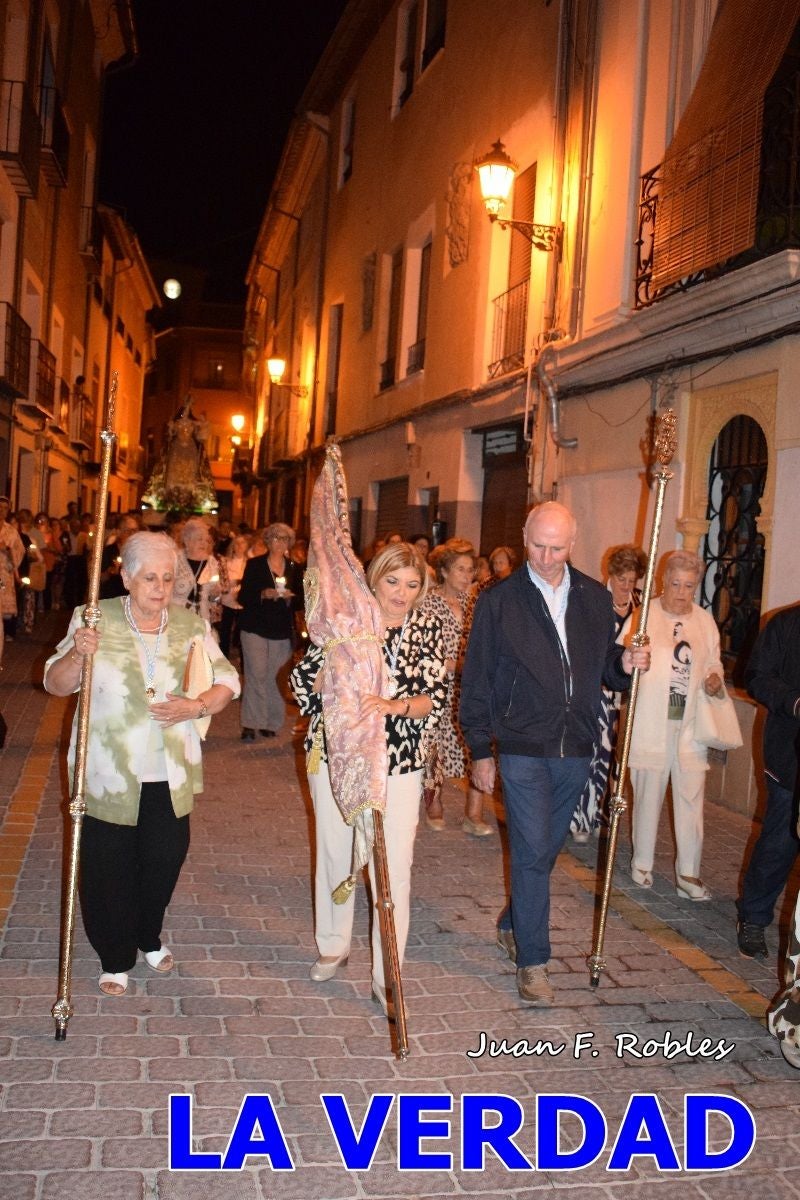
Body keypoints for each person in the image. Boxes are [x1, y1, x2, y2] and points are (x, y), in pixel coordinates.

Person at [459, 502, 650, 1007]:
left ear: (573, 542)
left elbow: (603, 667)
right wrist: (480, 750)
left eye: (557, 548)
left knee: (544, 850)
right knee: (529, 851)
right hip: (521, 745)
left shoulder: (593, 597)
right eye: (537, 546)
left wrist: (626, 662)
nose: (545, 558)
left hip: (577, 745)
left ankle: (512, 923)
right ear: (525, 536)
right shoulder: (499, 601)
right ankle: (534, 961)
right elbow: (476, 680)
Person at [43, 531, 239, 996]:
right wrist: (78, 652)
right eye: (149, 577)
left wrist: (196, 706)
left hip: (169, 771)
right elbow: (54, 683)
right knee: (107, 868)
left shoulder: (190, 626)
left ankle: (148, 934)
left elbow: (228, 680)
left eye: (167, 578)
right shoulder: (93, 617)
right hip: (108, 772)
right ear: (126, 577)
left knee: (163, 861)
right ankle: (115, 956)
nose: (160, 587)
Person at [289, 542, 446, 1010]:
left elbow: (434, 697)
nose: (401, 592)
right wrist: (323, 672)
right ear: (374, 580)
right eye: (392, 581)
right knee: (335, 852)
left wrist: (393, 706)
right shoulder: (346, 621)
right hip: (336, 756)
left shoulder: (426, 627)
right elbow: (301, 684)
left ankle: (387, 969)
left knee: (393, 866)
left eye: (412, 584)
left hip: (398, 762)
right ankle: (333, 945)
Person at [624, 550, 724, 901]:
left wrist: (714, 678)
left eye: (689, 586)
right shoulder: (645, 615)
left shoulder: (704, 621)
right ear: (664, 581)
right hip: (652, 721)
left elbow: (714, 662)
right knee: (648, 793)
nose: (682, 592)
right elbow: (623, 657)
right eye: (677, 583)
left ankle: (688, 873)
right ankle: (642, 862)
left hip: (689, 725)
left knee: (691, 797)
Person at [735, 603, 800, 959]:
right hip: (790, 757)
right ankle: (754, 917)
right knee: (779, 843)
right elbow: (757, 676)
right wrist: (794, 702)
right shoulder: (786, 623)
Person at [571, 544, 647, 843]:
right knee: (594, 755)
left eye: (631, 580)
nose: (626, 586)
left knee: (618, 759)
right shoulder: (596, 600)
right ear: (610, 575)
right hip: (598, 692)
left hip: (627, 696)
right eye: (621, 579)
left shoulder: (641, 605)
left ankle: (603, 816)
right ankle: (581, 819)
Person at [422, 539, 493, 835]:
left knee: (477, 744)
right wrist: (453, 665)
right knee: (433, 745)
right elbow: (421, 650)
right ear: (444, 571)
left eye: (470, 569)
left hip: (470, 686)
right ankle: (434, 802)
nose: (467, 575)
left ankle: (474, 814)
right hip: (437, 684)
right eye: (460, 569)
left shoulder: (476, 603)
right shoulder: (427, 602)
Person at [237, 523, 303, 740]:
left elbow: (301, 600)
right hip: (255, 626)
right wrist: (263, 594)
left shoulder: (295, 567)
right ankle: (251, 723)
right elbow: (243, 597)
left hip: (281, 628)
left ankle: (270, 722)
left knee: (273, 677)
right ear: (267, 541)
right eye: (276, 538)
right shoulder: (255, 565)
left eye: (284, 539)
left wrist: (290, 598)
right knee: (256, 674)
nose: (280, 542)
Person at [173, 517, 223, 625]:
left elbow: (215, 600)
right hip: (176, 619)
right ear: (187, 541)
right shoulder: (175, 560)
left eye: (206, 540)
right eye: (199, 539)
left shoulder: (212, 563)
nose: (204, 544)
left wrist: (215, 595)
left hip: (201, 620)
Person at [0, 496, 25, 641]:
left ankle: (5, 633)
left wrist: (7, 549)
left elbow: (20, 550)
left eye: (5, 508)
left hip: (4, 572)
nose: (1, 511)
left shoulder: (11, 531)